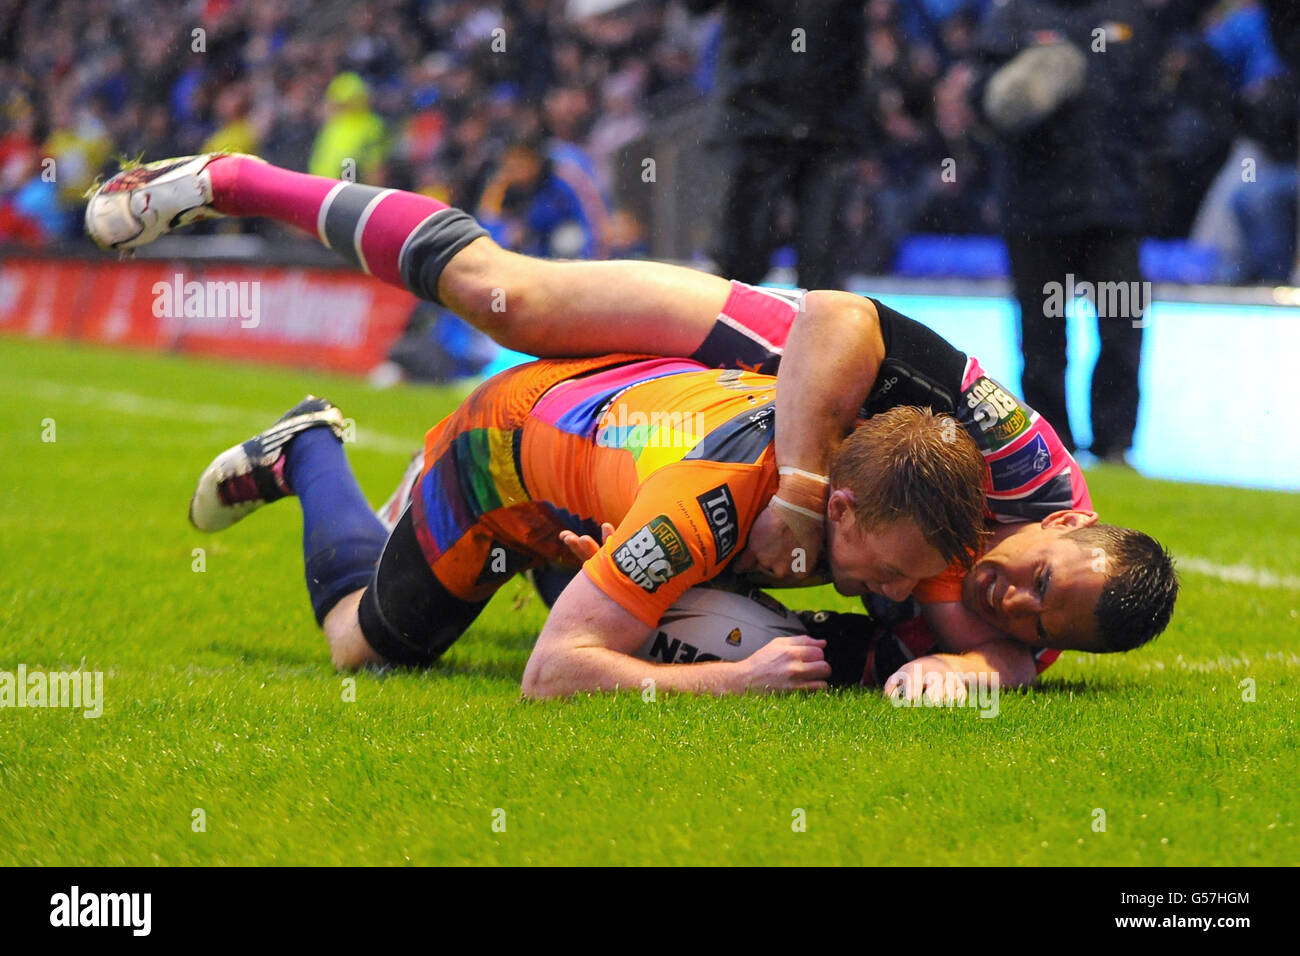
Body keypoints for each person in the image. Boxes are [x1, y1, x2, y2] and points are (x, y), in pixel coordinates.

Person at [84, 152, 1178, 673]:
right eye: (1039, 579)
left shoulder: (1015, 619)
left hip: (709, 448)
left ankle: (482, 515)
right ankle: (235, 181)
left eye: (1042, 622)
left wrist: (1003, 661)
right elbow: (844, 318)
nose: (1011, 595)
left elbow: (986, 655)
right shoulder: (1023, 462)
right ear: (1070, 522)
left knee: (695, 550)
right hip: (788, 365)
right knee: (502, 295)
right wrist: (801, 487)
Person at [182, 371, 988, 697]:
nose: (903, 596)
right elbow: (552, 674)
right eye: (888, 575)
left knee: (664, 607)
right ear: (836, 508)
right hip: (504, 459)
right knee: (362, 643)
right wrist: (731, 685)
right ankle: (307, 450)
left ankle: (583, 572)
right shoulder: (705, 506)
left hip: (605, 434)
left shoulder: (908, 482)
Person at [974, 0, 1156, 462]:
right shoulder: (1011, 19)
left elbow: (1157, 102)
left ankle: (1115, 448)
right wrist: (1020, 92)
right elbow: (982, 106)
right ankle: (1051, 452)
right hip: (1036, 211)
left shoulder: (1128, 16)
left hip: (1112, 209)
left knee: (1122, 327)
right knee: (1041, 339)